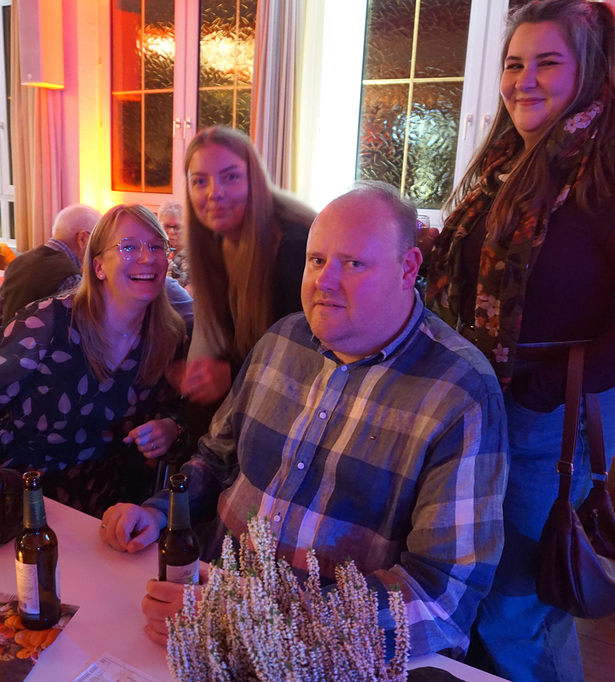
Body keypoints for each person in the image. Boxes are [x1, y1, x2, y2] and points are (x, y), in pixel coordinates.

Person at [101, 182, 509, 658]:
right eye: (316, 260)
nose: (324, 282)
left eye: (353, 264)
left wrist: (259, 617)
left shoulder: (460, 392)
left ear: (408, 268)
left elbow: (442, 599)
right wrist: (158, 512)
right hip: (198, 605)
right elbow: (214, 459)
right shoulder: (282, 340)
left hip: (319, 652)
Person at [423, 2, 615, 680]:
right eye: (514, 64)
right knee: (479, 587)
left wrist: (541, 392)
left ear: (589, 69)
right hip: (487, 405)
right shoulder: (512, 162)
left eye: (547, 63)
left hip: (550, 420)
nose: (524, 81)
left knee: (517, 607)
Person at [0, 204, 187, 517]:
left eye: (157, 246)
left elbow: (180, 414)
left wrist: (172, 428)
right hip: (13, 491)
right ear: (99, 267)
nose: (147, 258)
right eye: (129, 246)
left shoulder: (169, 336)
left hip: (102, 502)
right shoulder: (48, 322)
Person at [180, 126, 316, 406]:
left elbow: (311, 357)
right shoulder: (217, 245)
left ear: (254, 181)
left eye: (231, 177)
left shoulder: (296, 249)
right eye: (200, 181)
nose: (214, 193)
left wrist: (232, 373)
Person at [0, 203, 102, 325]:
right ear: (82, 238)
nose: (98, 247)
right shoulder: (70, 276)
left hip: (8, 336)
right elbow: (79, 328)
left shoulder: (17, 263)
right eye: (97, 240)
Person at [159, 202, 188, 289]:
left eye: (177, 227)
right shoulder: (155, 251)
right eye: (166, 226)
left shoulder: (194, 256)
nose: (171, 232)